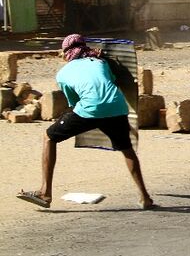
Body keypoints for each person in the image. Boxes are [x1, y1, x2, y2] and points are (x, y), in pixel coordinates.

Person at [17, 34, 154, 210]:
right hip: (118, 106)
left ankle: (45, 192)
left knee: (48, 137)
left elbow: (74, 104)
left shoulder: (63, 74)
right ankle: (145, 197)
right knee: (126, 149)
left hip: (89, 109)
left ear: (66, 52)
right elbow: (112, 82)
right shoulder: (100, 62)